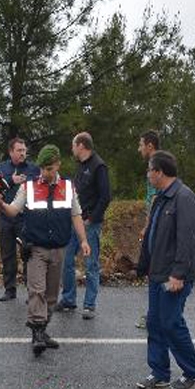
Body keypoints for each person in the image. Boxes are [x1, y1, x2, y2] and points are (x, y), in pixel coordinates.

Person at [0, 145, 90, 356]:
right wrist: (1, 204)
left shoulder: (68, 187)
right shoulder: (28, 187)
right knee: (36, 290)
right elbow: (13, 210)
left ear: (58, 165)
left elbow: (76, 215)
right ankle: (37, 333)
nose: (45, 173)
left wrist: (83, 240)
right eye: (43, 169)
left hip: (59, 248)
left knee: (52, 296)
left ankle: (42, 331)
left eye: (50, 168)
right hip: (35, 248)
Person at [134, 151, 195, 389]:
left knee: (171, 322)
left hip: (173, 274)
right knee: (155, 322)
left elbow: (187, 240)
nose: (147, 174)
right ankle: (159, 372)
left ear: (159, 172)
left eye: (149, 170)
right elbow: (154, 233)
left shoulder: (184, 198)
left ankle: (193, 371)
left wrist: (178, 274)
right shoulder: (161, 198)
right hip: (157, 270)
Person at [58, 132, 110, 319]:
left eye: (73, 145)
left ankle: (89, 305)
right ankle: (68, 299)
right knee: (67, 260)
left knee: (91, 264)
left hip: (90, 223)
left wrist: (92, 218)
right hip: (74, 220)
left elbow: (105, 196)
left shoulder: (99, 166)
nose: (72, 149)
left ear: (81, 145)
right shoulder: (80, 166)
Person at [0, 137, 40, 302]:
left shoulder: (34, 169)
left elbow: (41, 187)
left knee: (28, 254)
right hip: (6, 217)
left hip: (26, 218)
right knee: (7, 255)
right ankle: (9, 290)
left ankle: (31, 291)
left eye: (24, 150)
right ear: (11, 152)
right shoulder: (1, 168)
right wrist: (11, 180)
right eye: (19, 150)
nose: (22, 153)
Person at [135, 130, 161, 329]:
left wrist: (147, 226)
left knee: (155, 270)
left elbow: (154, 198)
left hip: (157, 225)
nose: (139, 149)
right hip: (157, 222)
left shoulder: (156, 164)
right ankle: (156, 314)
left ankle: (154, 316)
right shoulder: (159, 161)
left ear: (150, 146)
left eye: (141, 144)